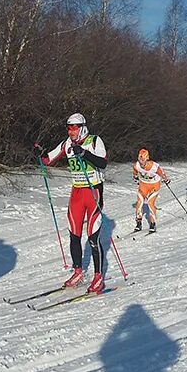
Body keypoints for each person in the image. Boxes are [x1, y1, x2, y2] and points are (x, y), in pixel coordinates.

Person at [36, 113, 109, 294]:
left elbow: (103, 162)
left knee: (92, 237)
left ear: (82, 127)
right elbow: (48, 160)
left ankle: (98, 276)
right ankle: (78, 271)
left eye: (74, 127)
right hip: (76, 193)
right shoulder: (67, 144)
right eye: (69, 128)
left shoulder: (94, 141)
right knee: (74, 234)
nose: (71, 131)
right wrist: (40, 155)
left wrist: (85, 154)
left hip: (93, 191)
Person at [132, 148, 171, 233]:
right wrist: (135, 177)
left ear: (147, 159)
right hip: (143, 185)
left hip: (154, 185)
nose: (141, 163)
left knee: (150, 203)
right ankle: (139, 223)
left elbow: (162, 173)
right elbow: (135, 171)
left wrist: (166, 179)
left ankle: (152, 224)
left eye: (143, 160)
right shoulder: (137, 165)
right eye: (139, 160)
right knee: (139, 202)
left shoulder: (153, 166)